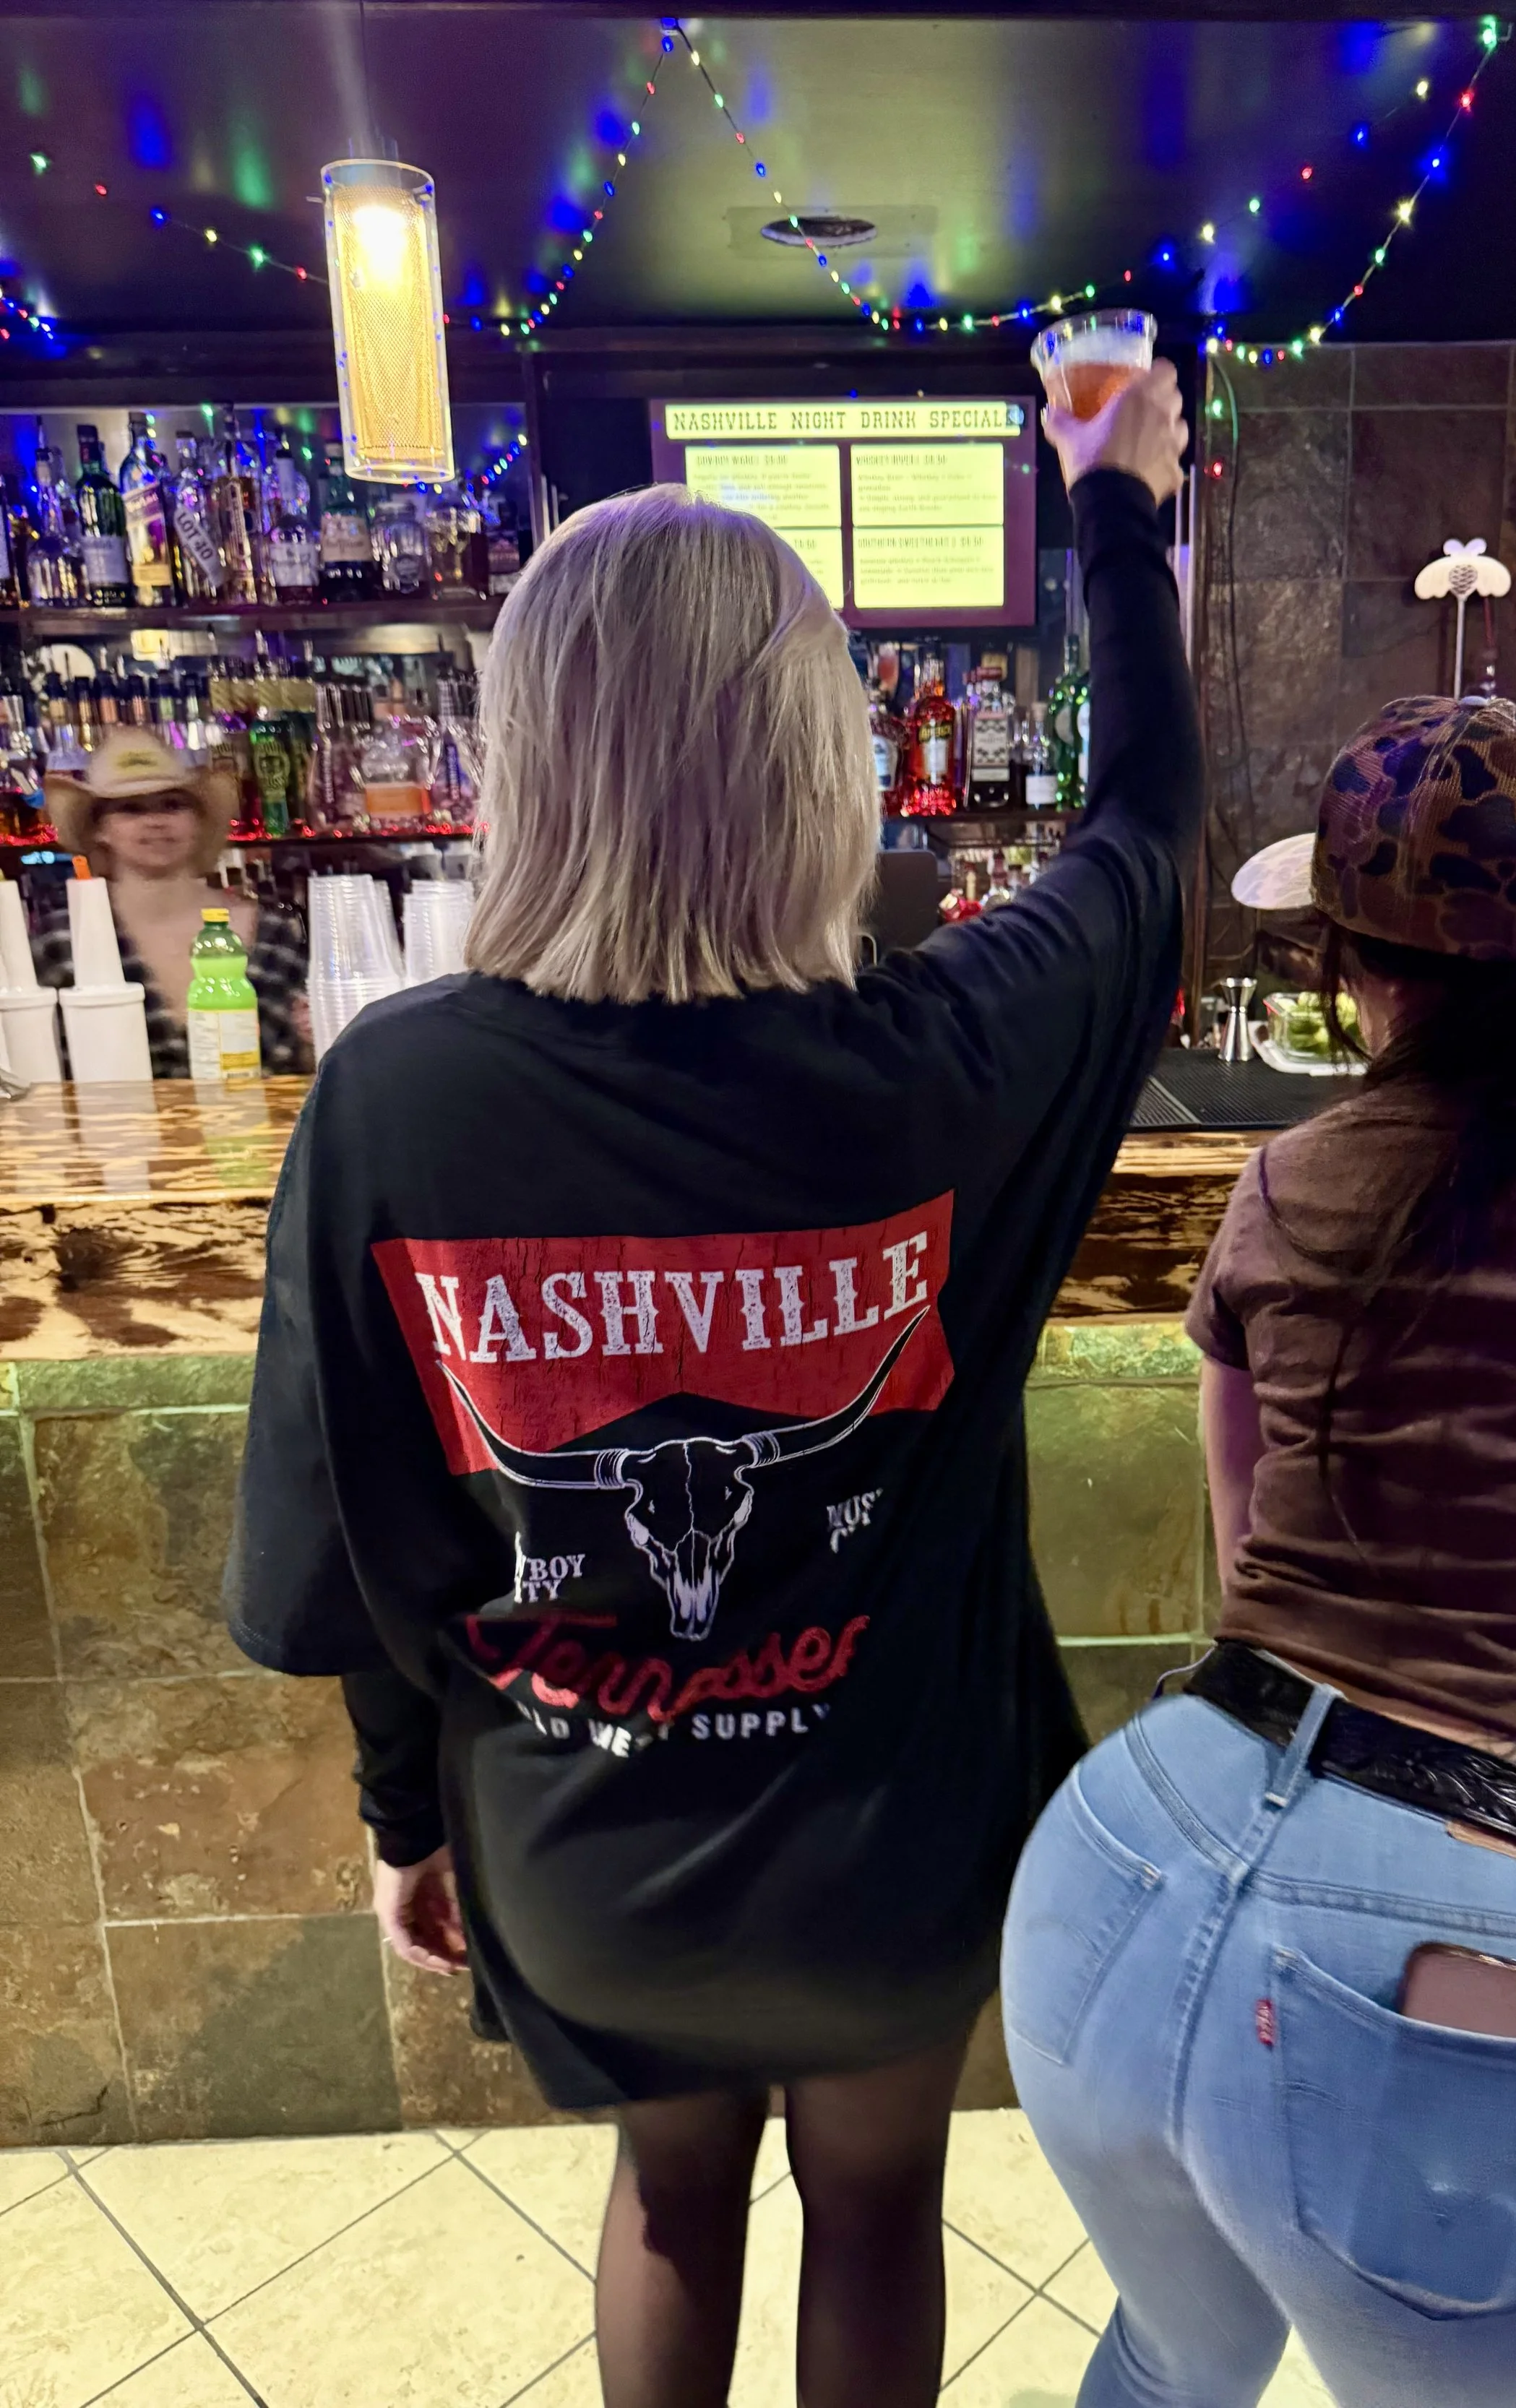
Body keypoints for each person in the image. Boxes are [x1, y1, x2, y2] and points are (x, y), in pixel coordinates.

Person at [225, 365, 1198, 2408]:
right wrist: (1113, 498)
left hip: (582, 1852)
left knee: (671, 2200)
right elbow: (1145, 828)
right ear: (818, 755)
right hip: (891, 1848)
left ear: (527, 754)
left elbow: (367, 1545)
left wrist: (406, 1817)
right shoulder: (957, 1057)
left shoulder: (393, 1094)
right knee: (879, 2206)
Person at [1002, 694, 1516, 2408]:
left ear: (1347, 966)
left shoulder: (1285, 1181)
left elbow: (1249, 1565)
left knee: (1170, 2361)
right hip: (1463, 1961)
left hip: (1123, 1861)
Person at [37, 728, 311, 1073]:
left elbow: (309, 1066)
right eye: (131, 809)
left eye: (172, 805)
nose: (155, 821)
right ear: (99, 829)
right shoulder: (64, 942)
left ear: (198, 820)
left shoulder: (274, 934)